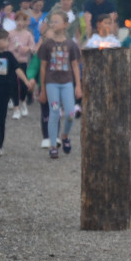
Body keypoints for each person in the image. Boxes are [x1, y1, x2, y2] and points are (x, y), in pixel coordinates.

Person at [0, 27, 34, 157]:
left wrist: (26, 81)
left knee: (2, 118)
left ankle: (0, 145)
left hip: (5, 91)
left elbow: (17, 69)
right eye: (4, 40)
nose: (7, 42)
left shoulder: (8, 55)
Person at [37, 10, 82, 160]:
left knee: (70, 113)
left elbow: (75, 66)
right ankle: (53, 145)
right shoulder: (47, 44)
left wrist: (78, 86)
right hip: (52, 83)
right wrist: (43, 89)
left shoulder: (71, 44)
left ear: (65, 24)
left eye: (56, 21)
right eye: (51, 22)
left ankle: (65, 136)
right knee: (54, 112)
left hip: (67, 83)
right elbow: (43, 67)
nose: (52, 24)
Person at [8, 10, 36, 119]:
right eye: (18, 20)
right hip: (12, 62)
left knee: (24, 85)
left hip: (23, 61)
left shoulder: (28, 34)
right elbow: (5, 46)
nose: (20, 22)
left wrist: (28, 48)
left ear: (25, 22)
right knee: (13, 85)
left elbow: (33, 48)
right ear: (15, 21)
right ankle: (16, 108)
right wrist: (12, 48)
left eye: (22, 20)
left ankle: (23, 101)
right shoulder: (10, 33)